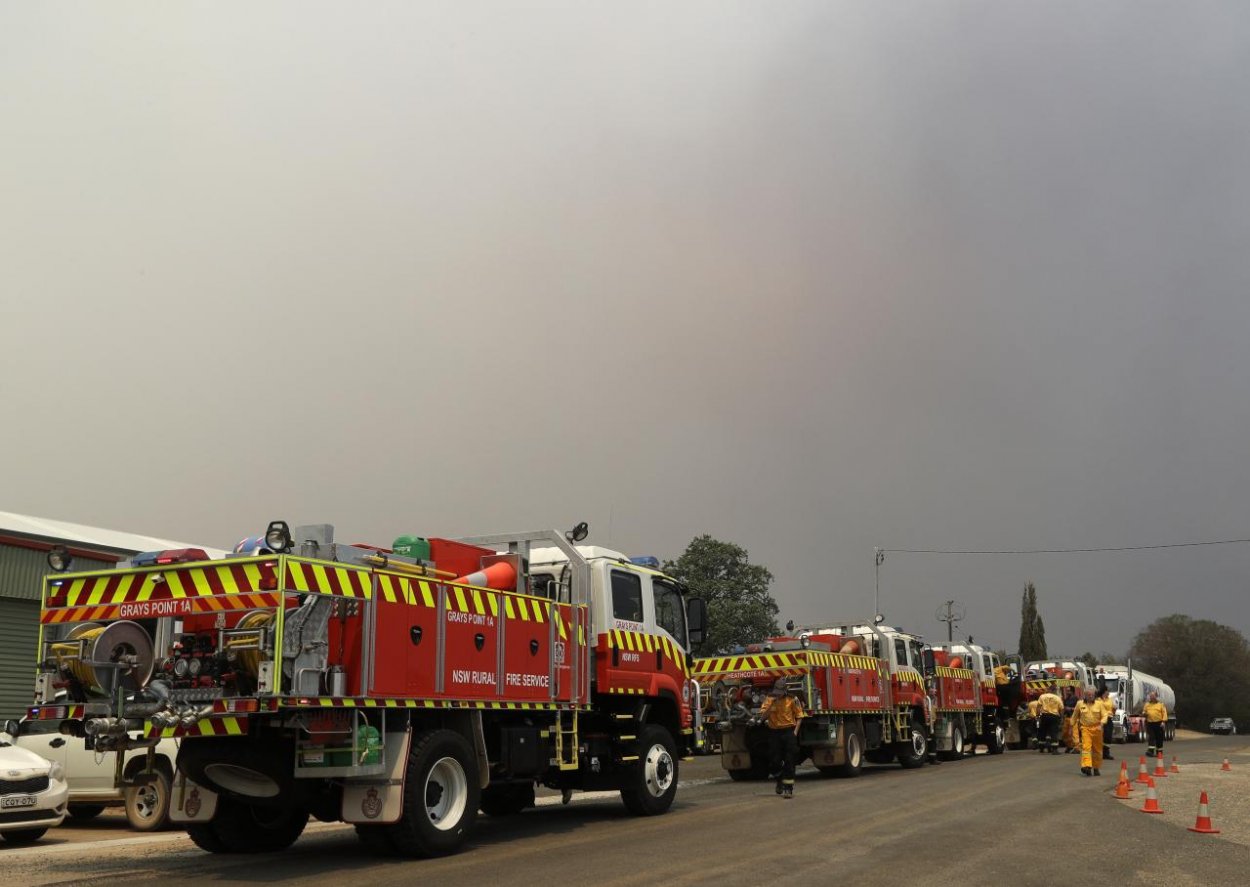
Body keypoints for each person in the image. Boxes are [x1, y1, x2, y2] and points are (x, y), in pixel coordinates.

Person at [758, 676, 805, 798]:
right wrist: (771, 706)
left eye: (780, 693)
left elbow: (800, 716)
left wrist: (795, 732)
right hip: (774, 733)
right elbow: (762, 717)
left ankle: (788, 788)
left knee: (790, 761)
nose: (778, 695)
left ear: (785, 690)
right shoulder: (769, 699)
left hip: (789, 732)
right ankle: (779, 779)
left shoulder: (792, 699)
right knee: (774, 761)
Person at [1071, 688, 1109, 776]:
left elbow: (1105, 715)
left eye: (1092, 694)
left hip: (1097, 729)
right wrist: (1072, 725)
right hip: (1085, 729)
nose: (1090, 696)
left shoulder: (1099, 704)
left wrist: (1102, 724)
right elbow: (1075, 715)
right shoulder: (1080, 704)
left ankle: (1096, 768)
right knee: (1086, 748)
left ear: (1094, 695)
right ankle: (1087, 766)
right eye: (1088, 695)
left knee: (1097, 750)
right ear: (1085, 695)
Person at [1037, 689, 1064, 754]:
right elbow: (1062, 708)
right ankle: (1054, 749)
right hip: (1054, 716)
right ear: (1054, 691)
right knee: (1053, 732)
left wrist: (1038, 717)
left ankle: (1041, 748)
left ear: (1047, 690)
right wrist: (1061, 718)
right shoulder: (1057, 698)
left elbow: (1038, 707)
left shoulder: (1042, 696)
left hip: (1044, 716)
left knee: (1043, 731)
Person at [1143, 691, 1169, 757]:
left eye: (1153, 696)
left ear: (1156, 696)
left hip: (1159, 723)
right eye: (1150, 696)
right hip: (1150, 723)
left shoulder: (1161, 704)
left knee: (1159, 738)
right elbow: (1144, 711)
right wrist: (1144, 714)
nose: (1151, 697)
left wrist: (1163, 722)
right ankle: (1150, 751)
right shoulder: (1147, 704)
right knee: (1151, 737)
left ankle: (1159, 752)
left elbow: (1164, 713)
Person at [1098, 688, 1116, 760]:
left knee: (1108, 736)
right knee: (1100, 736)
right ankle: (1100, 753)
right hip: (1101, 720)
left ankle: (1106, 753)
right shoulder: (1098, 700)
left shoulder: (1110, 700)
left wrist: (1114, 711)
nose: (1108, 693)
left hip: (1109, 719)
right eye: (1107, 691)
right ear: (1104, 692)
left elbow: (1113, 709)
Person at [1062, 687, 1079, 753]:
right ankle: (1069, 746)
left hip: (1073, 717)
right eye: (1067, 690)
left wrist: (1071, 709)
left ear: (1072, 691)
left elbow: (1078, 708)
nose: (1067, 692)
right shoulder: (1066, 699)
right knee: (1065, 733)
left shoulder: (1076, 699)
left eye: (1068, 691)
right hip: (1067, 717)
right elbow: (1064, 707)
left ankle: (1077, 748)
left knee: (1074, 733)